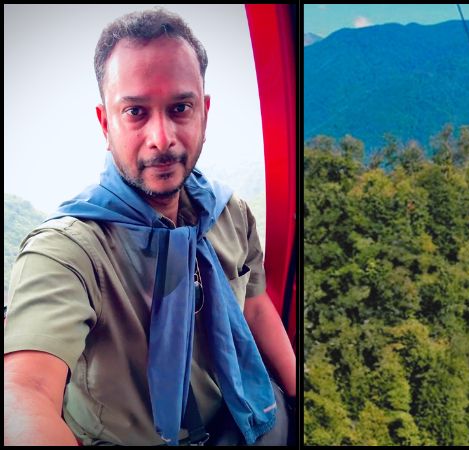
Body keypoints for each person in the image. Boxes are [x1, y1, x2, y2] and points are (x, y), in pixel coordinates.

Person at [4, 8, 296, 446]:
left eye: (180, 107)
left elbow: (255, 307)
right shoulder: (69, 249)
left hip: (238, 417)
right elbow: (24, 391)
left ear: (204, 112)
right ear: (106, 123)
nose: (162, 137)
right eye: (136, 112)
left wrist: (299, 395)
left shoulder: (229, 213)